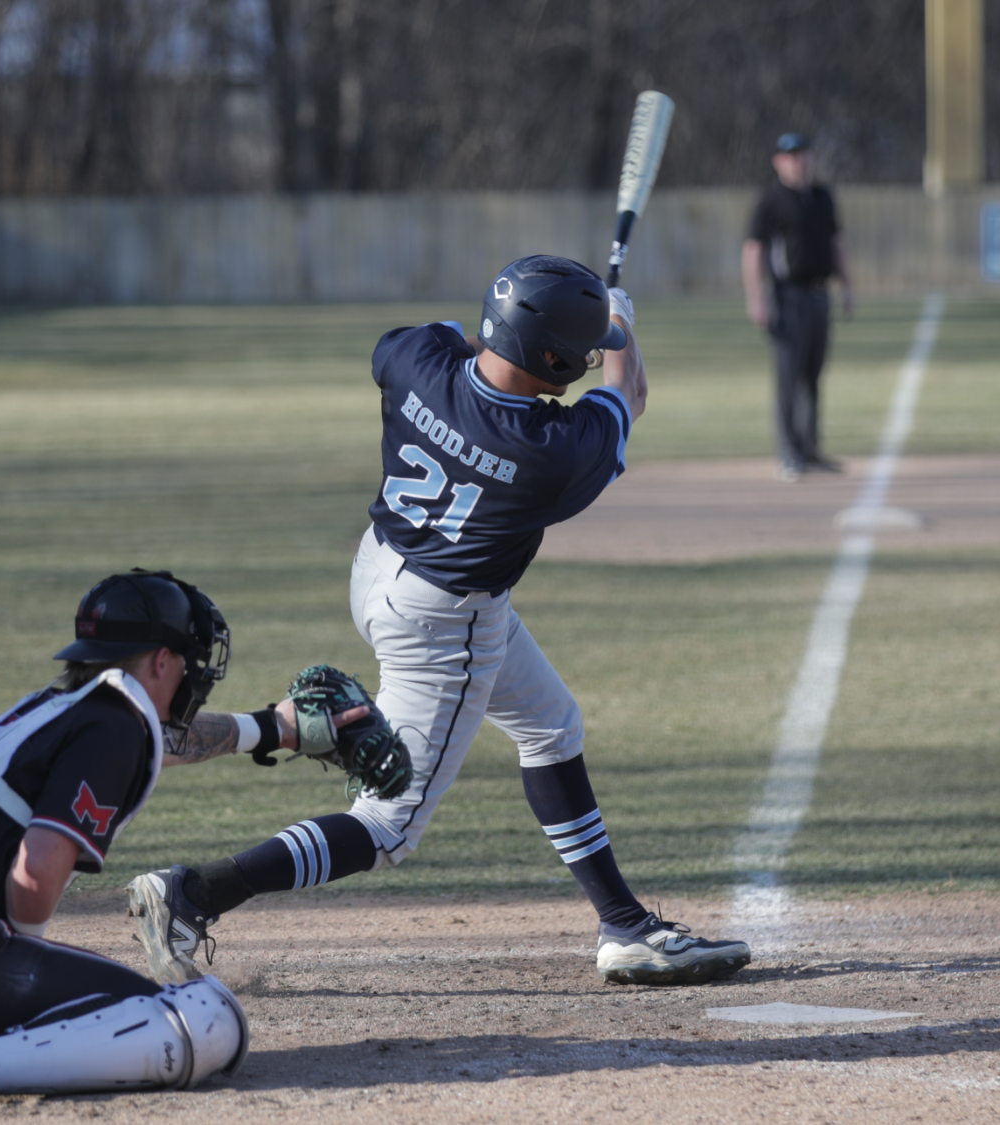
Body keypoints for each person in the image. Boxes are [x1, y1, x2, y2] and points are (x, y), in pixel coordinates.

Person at [126, 255, 753, 988]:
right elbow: (630, 391)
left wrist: (579, 322)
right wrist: (620, 323)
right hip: (447, 620)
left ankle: (623, 923)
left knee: (551, 725)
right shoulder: (550, 453)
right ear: (554, 361)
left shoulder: (415, 359)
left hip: (379, 567)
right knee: (387, 825)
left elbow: (453, 344)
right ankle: (193, 894)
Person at [0, 569, 365, 1107]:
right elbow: (34, 878)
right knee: (209, 1018)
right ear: (161, 660)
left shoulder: (57, 708)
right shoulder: (114, 726)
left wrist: (273, 728)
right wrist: (15, 970)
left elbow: (160, 743)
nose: (194, 675)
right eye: (188, 660)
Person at [742, 131, 855, 480]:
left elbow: (836, 242)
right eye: (790, 156)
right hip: (788, 297)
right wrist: (756, 299)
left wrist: (847, 287)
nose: (798, 161)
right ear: (779, 161)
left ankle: (810, 449)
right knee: (789, 376)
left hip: (820, 294)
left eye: (802, 154)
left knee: (813, 374)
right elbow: (753, 250)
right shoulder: (771, 200)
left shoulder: (822, 196)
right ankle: (789, 452)